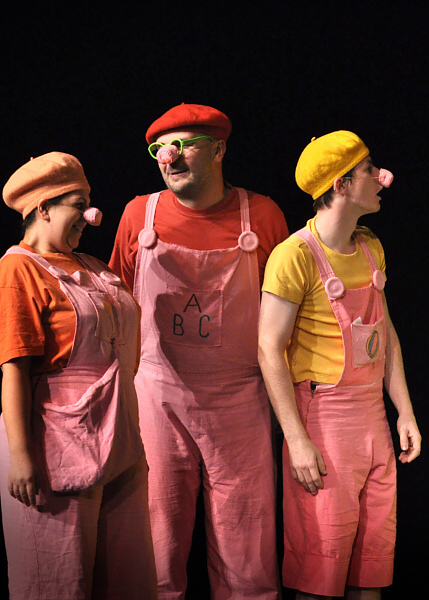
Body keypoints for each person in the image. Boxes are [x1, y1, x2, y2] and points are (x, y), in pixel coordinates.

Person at [109, 103, 288, 599]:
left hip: (241, 401)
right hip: (158, 398)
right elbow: (118, 310)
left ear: (219, 150)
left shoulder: (263, 215)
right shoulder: (138, 215)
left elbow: (289, 316)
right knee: (156, 540)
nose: (171, 156)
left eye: (185, 144)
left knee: (247, 544)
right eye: (161, 149)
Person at [257, 130, 421, 600]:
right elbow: (268, 348)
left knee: (372, 566)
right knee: (321, 569)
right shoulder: (293, 256)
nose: (382, 178)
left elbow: (386, 332)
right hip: (324, 421)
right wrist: (296, 440)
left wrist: (404, 411)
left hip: (372, 416)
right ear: (341, 185)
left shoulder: (370, 246)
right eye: (370, 170)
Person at [0, 152, 157, 599]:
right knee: (58, 580)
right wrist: (21, 456)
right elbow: (14, 368)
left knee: (127, 577)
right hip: (58, 448)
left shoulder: (94, 267)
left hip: (121, 440)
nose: (90, 216)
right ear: (43, 207)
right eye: (78, 204)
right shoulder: (18, 268)